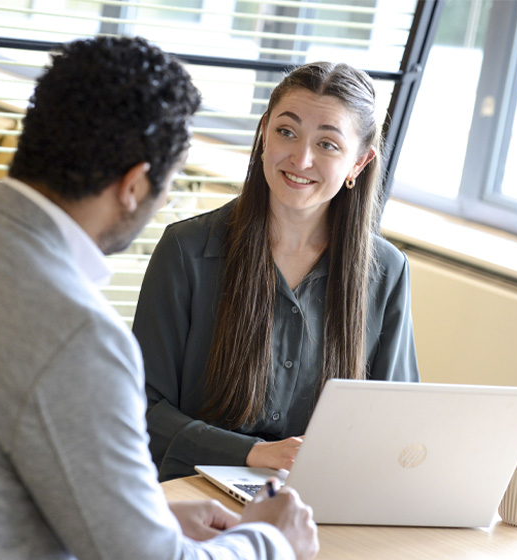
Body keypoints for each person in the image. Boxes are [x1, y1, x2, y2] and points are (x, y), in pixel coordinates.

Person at [0, 37, 318, 560]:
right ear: (134, 185)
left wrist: (146, 514)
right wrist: (269, 539)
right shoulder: (76, 335)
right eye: (167, 184)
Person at [133, 61, 420, 482]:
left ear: (359, 163)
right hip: (193, 497)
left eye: (327, 144)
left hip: (321, 502)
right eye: (287, 132)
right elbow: (139, 410)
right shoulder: (186, 251)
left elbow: (398, 424)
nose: (301, 158)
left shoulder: (387, 272)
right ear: (264, 133)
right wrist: (255, 454)